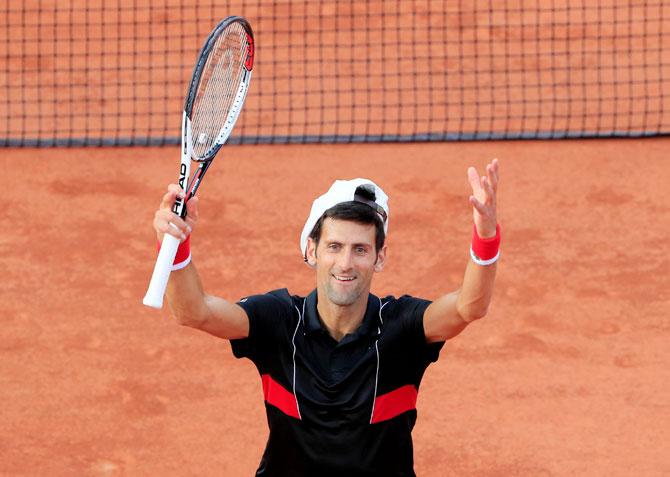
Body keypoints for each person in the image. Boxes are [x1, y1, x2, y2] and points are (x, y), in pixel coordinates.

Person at [151, 159, 500, 476]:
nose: (346, 263)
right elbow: (192, 311)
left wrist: (485, 237)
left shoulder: (402, 328)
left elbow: (468, 307)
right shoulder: (279, 321)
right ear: (311, 250)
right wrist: (175, 243)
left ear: (379, 258)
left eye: (360, 249)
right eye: (334, 246)